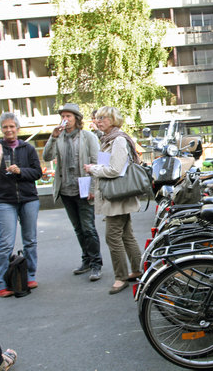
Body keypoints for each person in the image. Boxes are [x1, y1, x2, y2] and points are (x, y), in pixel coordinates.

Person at [84, 106, 143, 294]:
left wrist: (93, 169)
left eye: (103, 118)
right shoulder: (109, 139)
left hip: (117, 196)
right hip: (118, 195)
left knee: (113, 237)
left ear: (114, 119)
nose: (98, 121)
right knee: (126, 235)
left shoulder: (117, 140)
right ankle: (138, 269)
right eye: (97, 118)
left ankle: (121, 277)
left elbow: (115, 170)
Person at [43, 103, 103, 282]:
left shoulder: (88, 137)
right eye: (63, 116)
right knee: (78, 229)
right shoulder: (58, 137)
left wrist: (93, 188)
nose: (65, 119)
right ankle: (86, 260)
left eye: (69, 116)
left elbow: (97, 162)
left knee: (88, 228)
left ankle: (96, 264)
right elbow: (47, 157)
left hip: (84, 189)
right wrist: (52, 138)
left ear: (77, 119)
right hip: (66, 190)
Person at [0, 113, 42, 297]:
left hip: (28, 199)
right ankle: (1, 282)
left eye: (12, 126)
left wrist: (20, 171)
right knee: (5, 244)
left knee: (30, 240)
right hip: (5, 200)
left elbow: (37, 173)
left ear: (18, 128)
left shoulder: (28, 148)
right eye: (5, 127)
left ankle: (29, 275)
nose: (9, 130)